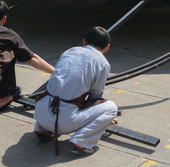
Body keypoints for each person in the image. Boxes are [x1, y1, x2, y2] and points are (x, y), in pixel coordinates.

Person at [34, 26, 118, 156]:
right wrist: (102, 118)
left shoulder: (70, 51)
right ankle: (82, 141)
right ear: (107, 47)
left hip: (40, 112)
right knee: (111, 108)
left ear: (84, 41)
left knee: (58, 93)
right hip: (62, 122)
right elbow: (95, 96)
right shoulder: (103, 63)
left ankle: (41, 127)